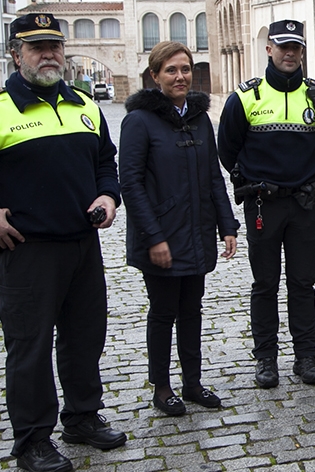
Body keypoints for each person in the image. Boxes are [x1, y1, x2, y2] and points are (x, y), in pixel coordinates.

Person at [0, 13, 126, 472]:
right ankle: (33, 439)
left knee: (84, 339)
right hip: (27, 251)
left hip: (82, 245)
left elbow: (105, 162)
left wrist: (108, 195)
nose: (49, 54)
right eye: (37, 47)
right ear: (16, 54)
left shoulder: (84, 104)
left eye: (54, 45)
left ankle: (81, 417)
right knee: (30, 345)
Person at [218, 19, 315, 389]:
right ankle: (266, 359)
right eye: (282, 46)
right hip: (263, 205)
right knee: (265, 284)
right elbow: (228, 151)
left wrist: (311, 184)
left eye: (296, 47)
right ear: (268, 49)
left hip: (304, 205)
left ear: (302, 51)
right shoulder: (245, 97)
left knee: (304, 284)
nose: (290, 53)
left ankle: (306, 358)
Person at [120, 41, 239, 416]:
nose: (180, 76)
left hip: (197, 232)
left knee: (192, 310)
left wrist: (227, 225)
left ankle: (192, 383)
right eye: (171, 70)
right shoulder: (139, 121)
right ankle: (162, 386)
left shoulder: (200, 119)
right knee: (163, 312)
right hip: (161, 237)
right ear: (155, 75)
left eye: (185, 69)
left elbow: (213, 178)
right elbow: (131, 184)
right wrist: (154, 237)